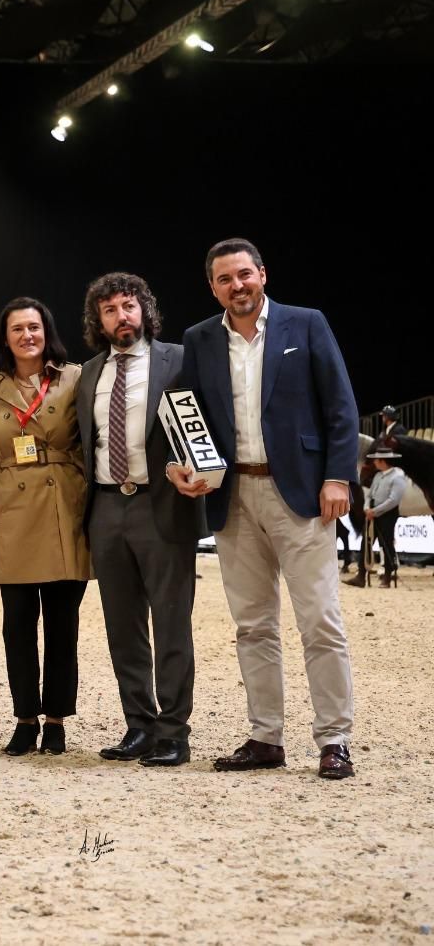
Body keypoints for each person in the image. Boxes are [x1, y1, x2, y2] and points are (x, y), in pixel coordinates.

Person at [169, 239, 359, 780]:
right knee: (253, 625)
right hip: (234, 496)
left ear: (262, 275)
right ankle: (265, 737)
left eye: (245, 275)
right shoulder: (199, 339)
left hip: (301, 493)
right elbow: (190, 416)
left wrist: (337, 476)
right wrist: (181, 465)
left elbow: (340, 407)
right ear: (213, 287)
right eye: (225, 279)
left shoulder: (306, 324)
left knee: (320, 620)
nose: (238, 286)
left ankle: (334, 738)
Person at [76, 273, 205, 769]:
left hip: (162, 503)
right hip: (106, 507)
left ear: (144, 310)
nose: (120, 316)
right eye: (109, 310)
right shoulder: (89, 373)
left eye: (128, 306)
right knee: (122, 627)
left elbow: (204, 426)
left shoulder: (179, 360)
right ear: (99, 321)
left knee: (172, 623)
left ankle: (174, 732)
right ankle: (139, 725)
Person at [0, 297, 88, 757]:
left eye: (34, 328)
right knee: (17, 624)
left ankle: (57, 720)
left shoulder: (75, 378)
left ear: (47, 332)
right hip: (13, 510)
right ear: (5, 337)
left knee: (63, 625)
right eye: (17, 329)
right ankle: (24, 718)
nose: (27, 336)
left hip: (64, 504)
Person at [352, 449, 407, 588]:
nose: (374, 462)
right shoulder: (378, 476)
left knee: (386, 543)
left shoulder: (398, 477)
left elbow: (393, 500)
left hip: (387, 515)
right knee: (366, 542)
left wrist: (375, 511)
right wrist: (366, 508)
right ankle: (361, 575)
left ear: (383, 461)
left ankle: (387, 577)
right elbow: (370, 494)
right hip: (372, 514)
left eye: (376, 460)